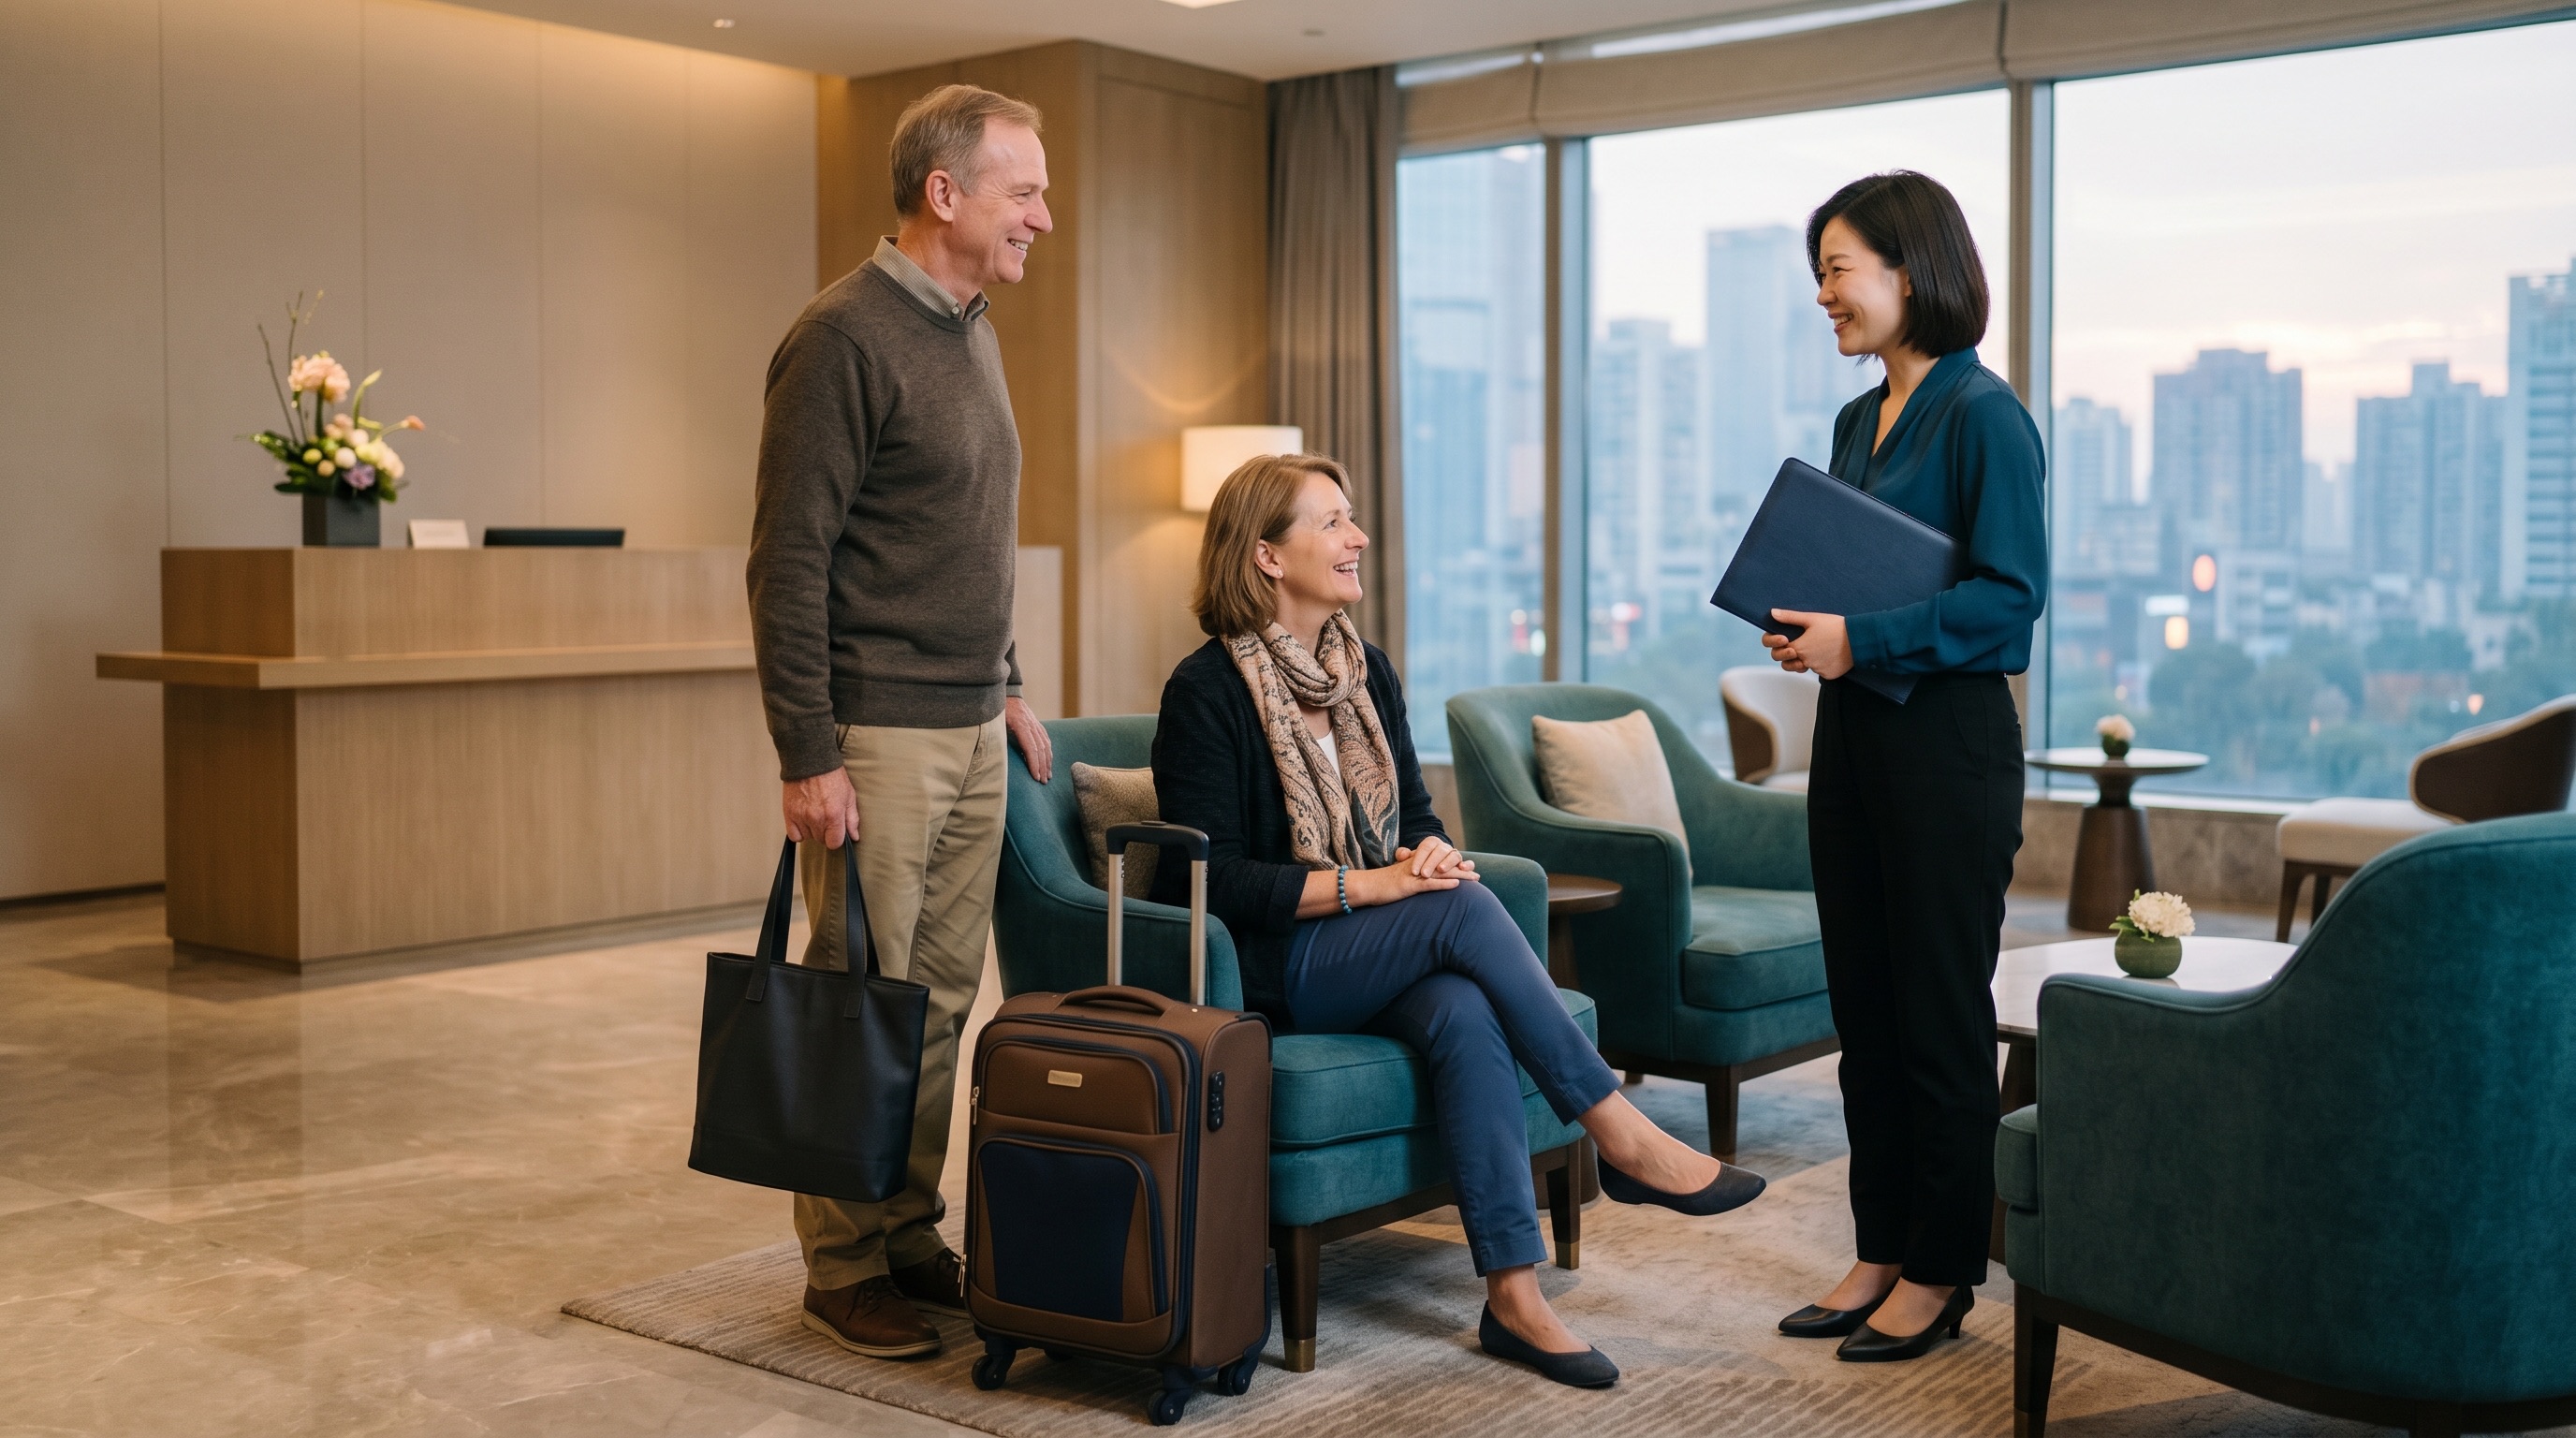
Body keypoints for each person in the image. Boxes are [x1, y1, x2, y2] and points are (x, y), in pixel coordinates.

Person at [1149, 452, 1768, 1389]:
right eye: (1330, 523)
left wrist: (1423, 858)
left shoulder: (1364, 673)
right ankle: (1619, 1133)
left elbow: (1419, 821)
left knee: (1463, 1008)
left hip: (1367, 947)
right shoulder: (1205, 692)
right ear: (1267, 556)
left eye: (1351, 519)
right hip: (1270, 966)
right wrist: (1379, 889)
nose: (1357, 539)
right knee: (1458, 913)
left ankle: (1513, 1299)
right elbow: (1218, 883)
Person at [747, 82, 1058, 1362]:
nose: (1045, 214)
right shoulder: (840, 338)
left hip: (971, 722)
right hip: (876, 737)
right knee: (859, 1000)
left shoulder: (972, 325)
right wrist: (807, 752)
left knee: (934, 1005)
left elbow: (962, 535)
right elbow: (789, 561)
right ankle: (839, 1263)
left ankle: (907, 1229)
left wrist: (1013, 678)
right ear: (947, 194)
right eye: (1024, 191)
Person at [1762, 170, 2045, 1362]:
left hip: (1948, 751)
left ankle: (1940, 1269)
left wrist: (1859, 638)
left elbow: (2009, 602)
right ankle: (1879, 1246)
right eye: (1819, 272)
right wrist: (1810, 628)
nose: (1822, 293)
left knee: (1934, 1018)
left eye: (1838, 269)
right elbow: (1864, 570)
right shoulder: (1852, 419)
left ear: (1909, 268)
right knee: (1863, 1015)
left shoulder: (1985, 415)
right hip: (1856, 742)